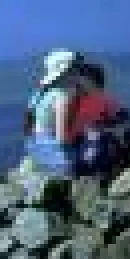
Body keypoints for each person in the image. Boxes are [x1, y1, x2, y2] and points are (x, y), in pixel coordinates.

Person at [23, 49, 81, 178]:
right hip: (50, 146)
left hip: (33, 145)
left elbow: (28, 125)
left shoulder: (39, 94)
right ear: (67, 72)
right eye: (76, 68)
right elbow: (61, 135)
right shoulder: (61, 96)